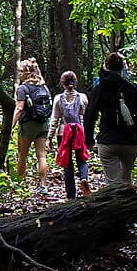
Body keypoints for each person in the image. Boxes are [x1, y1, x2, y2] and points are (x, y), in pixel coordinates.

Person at [86, 52, 137, 188]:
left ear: (106, 65)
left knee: (113, 184)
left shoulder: (100, 88)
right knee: (126, 181)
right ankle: (127, 206)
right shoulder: (131, 88)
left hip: (108, 140)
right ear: (121, 68)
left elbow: (90, 115)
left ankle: (116, 207)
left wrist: (89, 140)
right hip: (130, 142)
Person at [48, 72, 92, 200]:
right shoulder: (82, 97)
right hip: (79, 130)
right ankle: (84, 178)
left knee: (67, 162)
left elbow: (55, 119)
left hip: (64, 131)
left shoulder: (58, 99)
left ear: (62, 83)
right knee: (82, 158)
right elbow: (85, 116)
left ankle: (71, 195)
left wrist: (50, 137)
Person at [11, 58, 53, 190]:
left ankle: (19, 185)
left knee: (22, 155)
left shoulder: (22, 88)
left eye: (21, 71)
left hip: (28, 125)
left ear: (28, 73)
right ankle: (43, 185)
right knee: (41, 155)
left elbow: (19, 108)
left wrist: (10, 126)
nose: (19, 74)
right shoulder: (44, 87)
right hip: (43, 124)